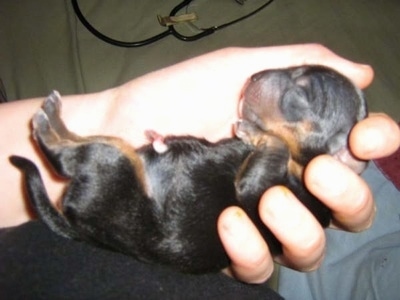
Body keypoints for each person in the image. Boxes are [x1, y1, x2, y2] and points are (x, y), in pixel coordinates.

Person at [0, 44, 399, 297]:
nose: (279, 85)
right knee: (116, 158)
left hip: (149, 213)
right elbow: (213, 160)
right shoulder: (270, 149)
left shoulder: (285, 170)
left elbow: (247, 183)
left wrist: (268, 144)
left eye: (298, 96)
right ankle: (61, 150)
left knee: (114, 162)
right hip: (150, 208)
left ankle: (60, 151)